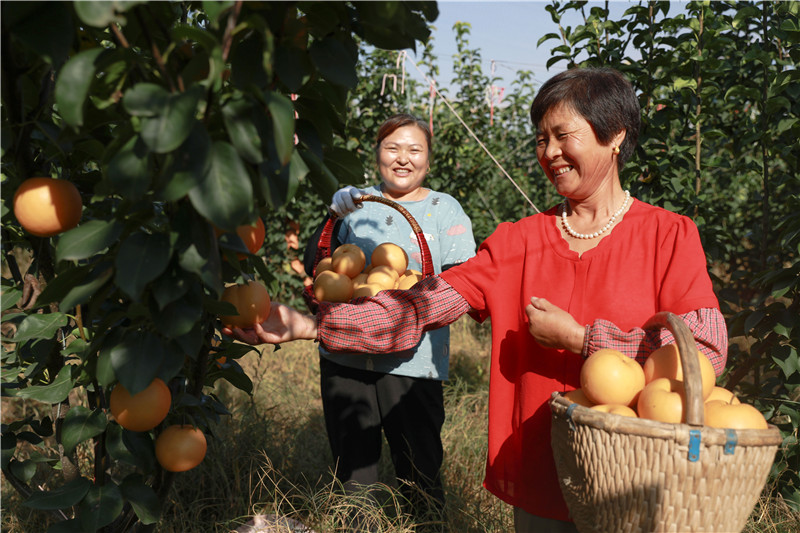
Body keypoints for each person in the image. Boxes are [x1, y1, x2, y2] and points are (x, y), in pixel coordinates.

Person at [225, 68, 728, 532]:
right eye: (540, 139)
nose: (549, 152)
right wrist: (310, 325)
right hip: (540, 471)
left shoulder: (669, 236)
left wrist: (582, 339)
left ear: (615, 134)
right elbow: (421, 307)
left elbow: (703, 352)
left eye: (563, 135)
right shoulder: (516, 242)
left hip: (638, 474)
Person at [303, 113, 476, 527]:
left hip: (414, 363)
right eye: (392, 148)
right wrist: (332, 215)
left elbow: (463, 285)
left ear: (429, 160)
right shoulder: (356, 204)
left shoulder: (443, 209)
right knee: (353, 477)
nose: (403, 158)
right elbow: (319, 267)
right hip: (345, 355)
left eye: (414, 150)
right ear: (377, 154)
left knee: (420, 472)